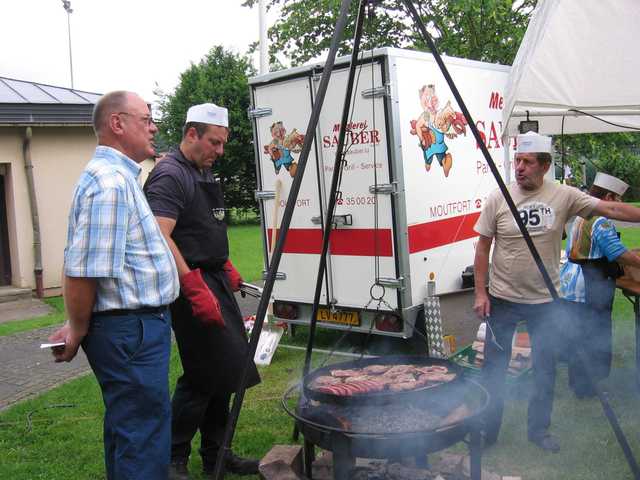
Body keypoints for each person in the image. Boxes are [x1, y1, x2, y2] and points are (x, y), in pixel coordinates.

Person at [473, 131, 640, 453]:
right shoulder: (498, 198)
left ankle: (539, 431)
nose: (519, 167)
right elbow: (482, 249)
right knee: (493, 368)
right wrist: (481, 293)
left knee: (545, 369)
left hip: (545, 301)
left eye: (527, 162)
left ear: (545, 165)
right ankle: (487, 430)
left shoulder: (564, 196)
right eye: (517, 161)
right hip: (503, 300)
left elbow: (614, 211)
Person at [48, 91, 180, 479]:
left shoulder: (118, 178)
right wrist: (77, 327)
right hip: (130, 330)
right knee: (143, 434)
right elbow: (83, 269)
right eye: (146, 118)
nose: (154, 126)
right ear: (117, 124)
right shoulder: (110, 183)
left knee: (133, 428)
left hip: (134, 328)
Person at [144, 103, 261, 478]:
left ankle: (217, 454)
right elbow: (159, 237)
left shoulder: (201, 171)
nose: (220, 151)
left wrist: (224, 266)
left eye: (223, 143)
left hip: (212, 280)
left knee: (225, 372)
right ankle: (174, 456)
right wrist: (193, 286)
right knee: (200, 375)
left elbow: (203, 227)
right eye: (215, 142)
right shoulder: (169, 175)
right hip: (189, 284)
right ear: (191, 134)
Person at [560, 173, 640, 397]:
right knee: (593, 334)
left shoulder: (580, 215)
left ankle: (580, 384)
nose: (621, 205)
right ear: (607, 197)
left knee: (579, 335)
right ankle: (588, 386)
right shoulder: (600, 220)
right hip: (590, 284)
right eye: (618, 199)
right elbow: (617, 253)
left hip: (571, 283)